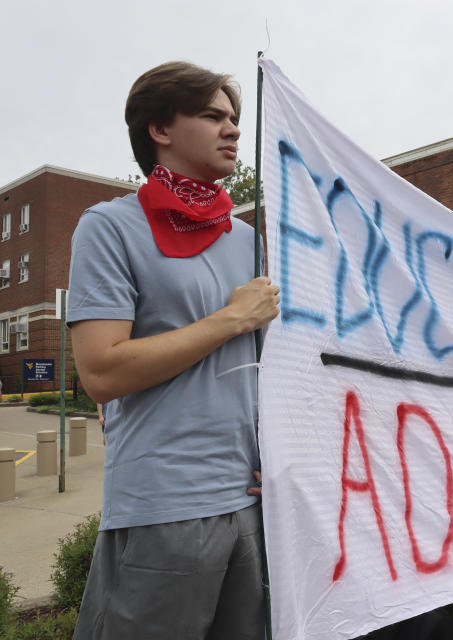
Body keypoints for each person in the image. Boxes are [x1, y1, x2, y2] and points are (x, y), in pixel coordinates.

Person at [67, 61, 280, 639]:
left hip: (253, 506)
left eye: (233, 118)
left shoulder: (250, 239)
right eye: (212, 116)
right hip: (164, 505)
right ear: (160, 129)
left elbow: (270, 371)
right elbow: (102, 370)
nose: (232, 129)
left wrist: (281, 452)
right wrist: (231, 319)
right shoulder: (108, 226)